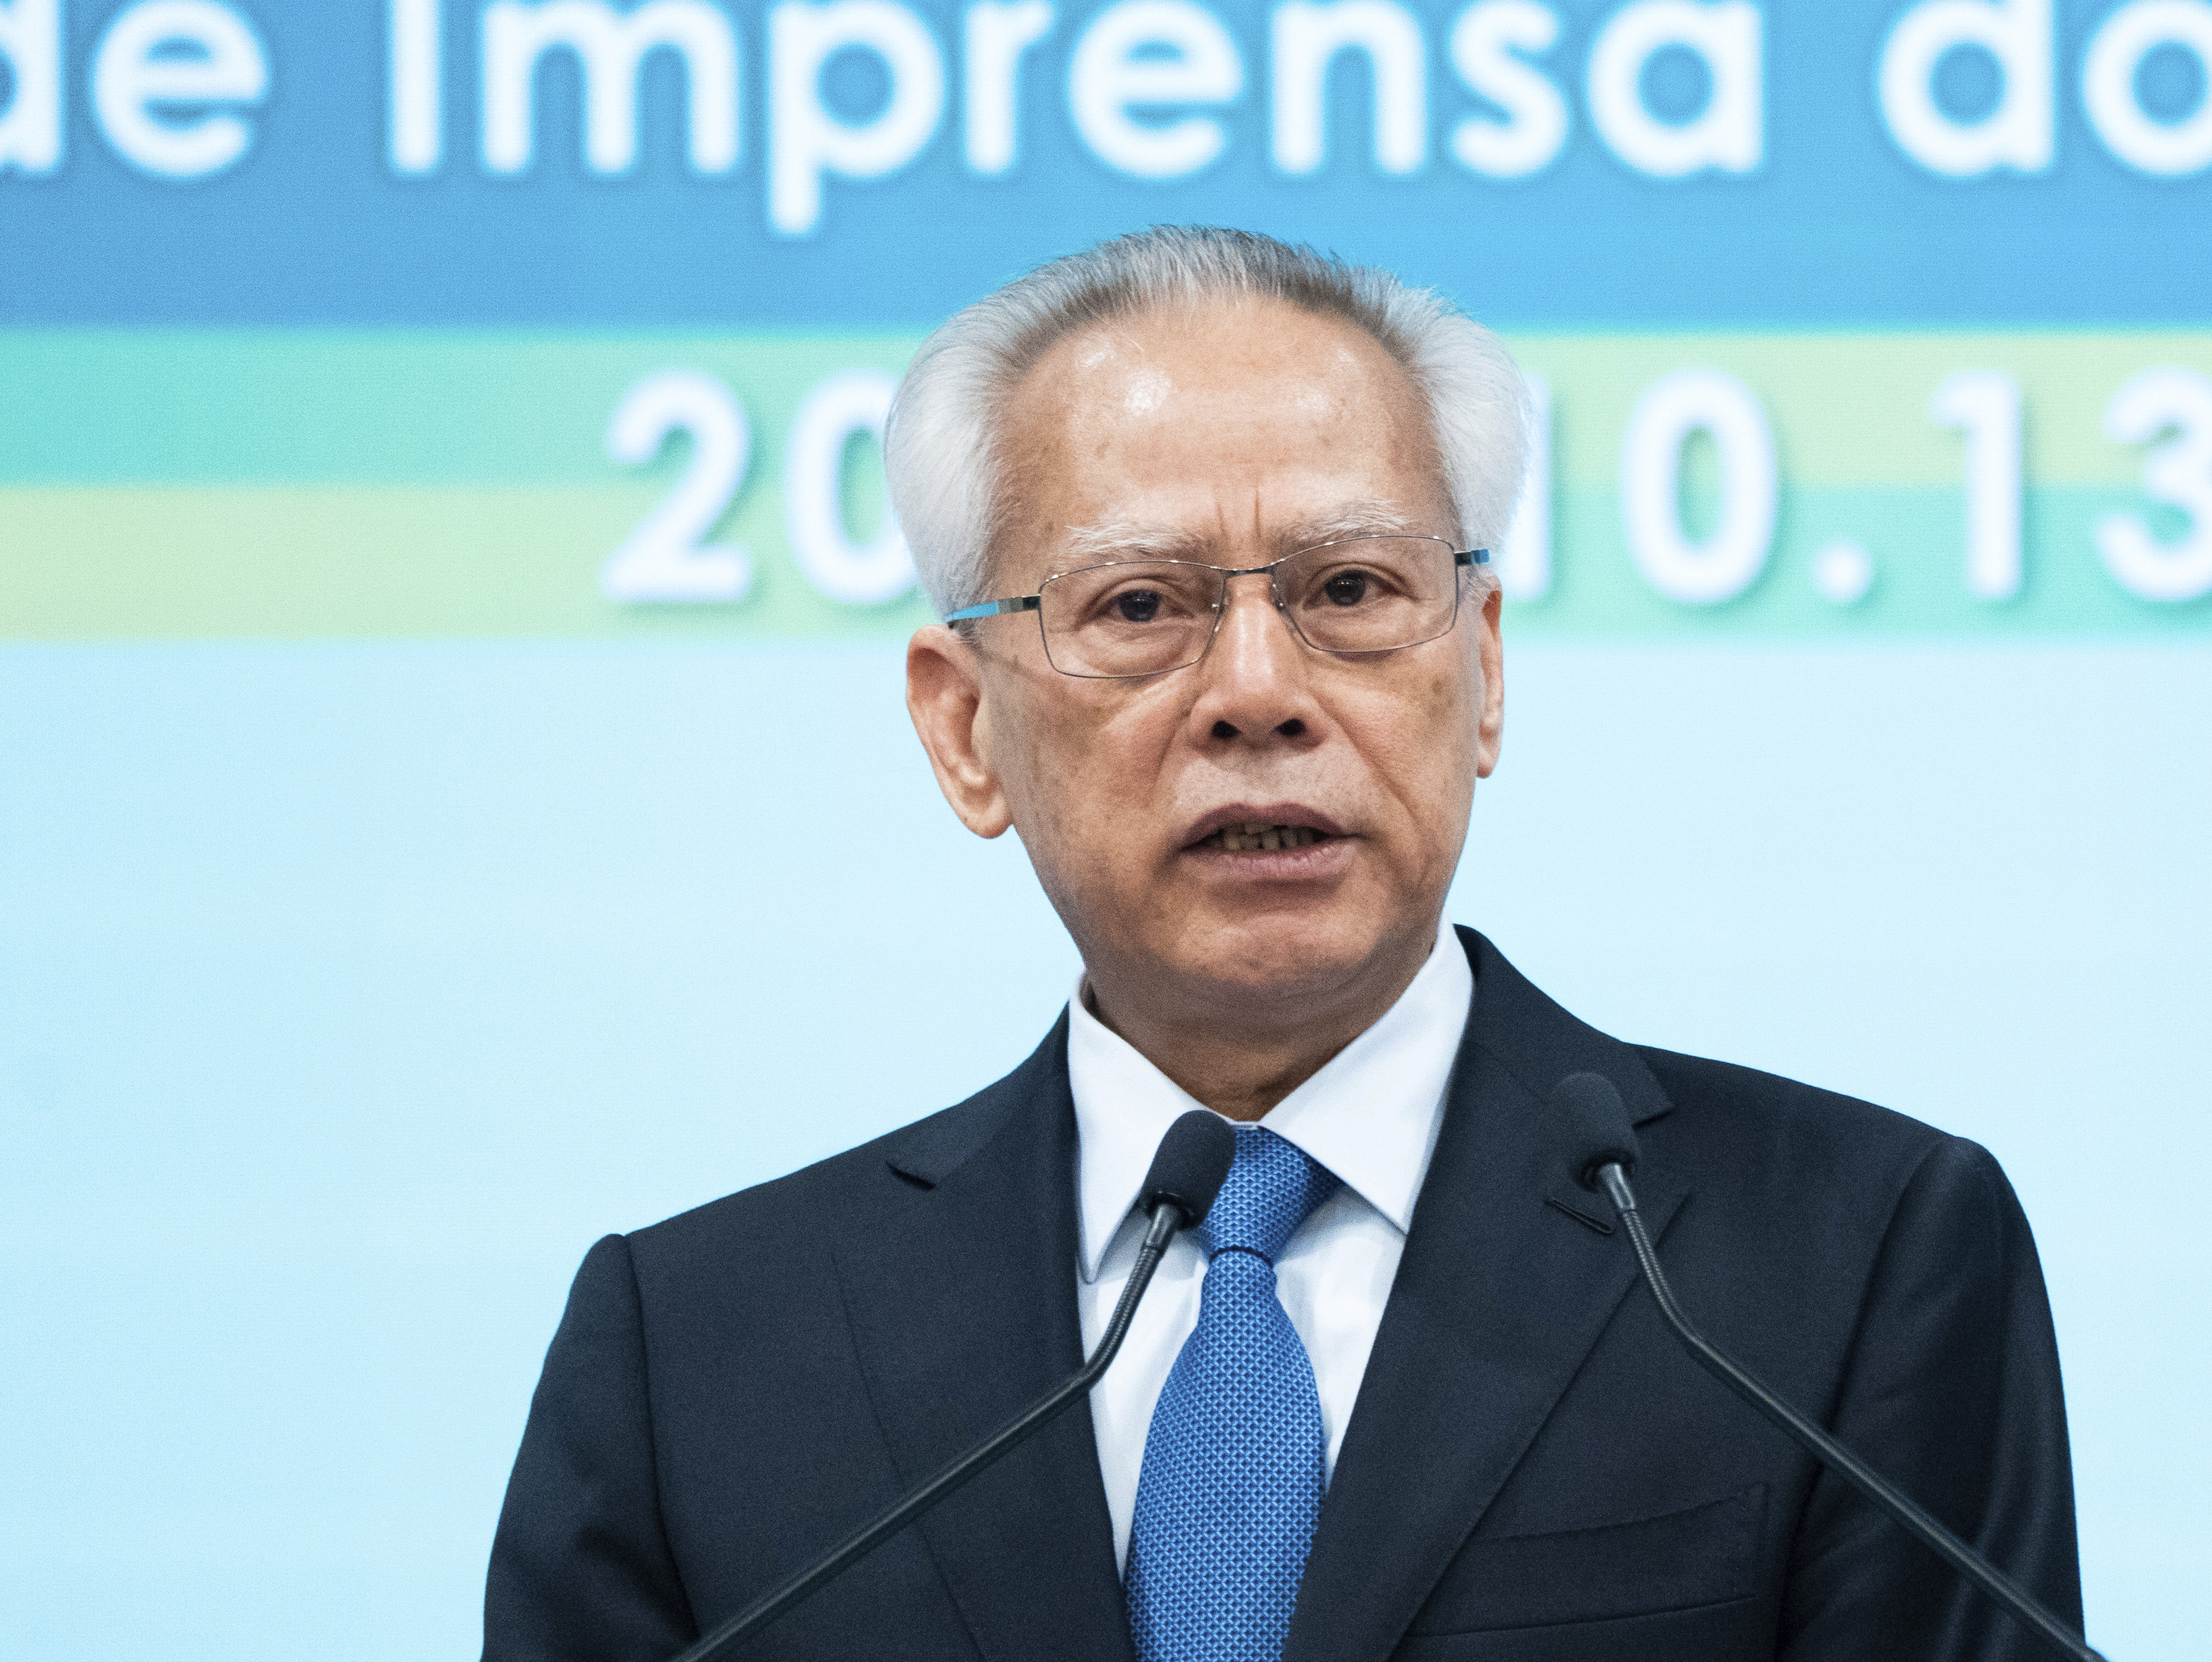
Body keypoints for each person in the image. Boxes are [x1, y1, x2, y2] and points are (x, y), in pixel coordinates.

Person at [483, 227, 2082, 1662]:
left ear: (1486, 673)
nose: (1260, 688)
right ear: (963, 729)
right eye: (1138, 606)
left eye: (1351, 587)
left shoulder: (1840, 1262)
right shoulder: (697, 1353)